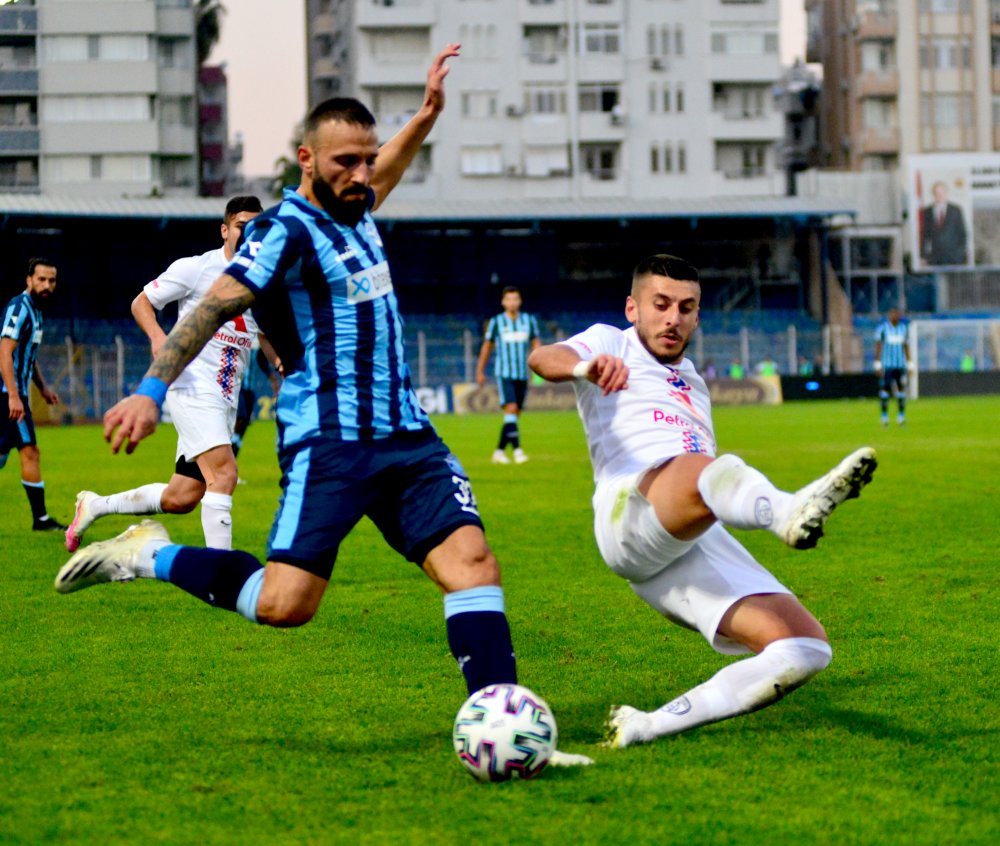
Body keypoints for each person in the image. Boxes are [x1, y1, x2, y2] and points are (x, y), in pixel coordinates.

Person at [54, 49, 593, 769]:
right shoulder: (286, 231)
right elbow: (216, 304)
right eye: (345, 161)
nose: (362, 174)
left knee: (473, 567)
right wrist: (152, 389)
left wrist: (427, 113)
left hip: (407, 438)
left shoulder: (361, 207)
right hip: (330, 444)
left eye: (367, 160)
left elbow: (392, 168)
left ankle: (509, 733)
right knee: (285, 605)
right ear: (306, 159)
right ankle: (150, 555)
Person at [528, 253, 877, 747]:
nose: (673, 318)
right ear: (633, 308)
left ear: (696, 315)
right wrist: (587, 366)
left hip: (685, 539)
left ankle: (647, 724)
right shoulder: (610, 342)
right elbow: (542, 359)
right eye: (661, 304)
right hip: (627, 511)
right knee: (704, 468)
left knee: (804, 648)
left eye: (686, 307)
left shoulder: (692, 380)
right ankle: (785, 511)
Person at [64, 196, 265, 553]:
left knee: (182, 496)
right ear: (224, 230)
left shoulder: (260, 280)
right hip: (192, 386)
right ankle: (223, 574)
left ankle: (95, 505)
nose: (250, 233)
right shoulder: (198, 268)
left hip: (224, 394)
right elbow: (142, 302)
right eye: (241, 225)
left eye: (257, 226)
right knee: (224, 475)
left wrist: (285, 368)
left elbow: (264, 334)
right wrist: (159, 338)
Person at [0, 258, 66, 531]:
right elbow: (4, 352)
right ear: (29, 279)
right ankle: (40, 519)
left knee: (6, 454)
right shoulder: (21, 308)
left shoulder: (37, 311)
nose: (47, 285)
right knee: (30, 451)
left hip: (14, 393)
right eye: (41, 279)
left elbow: (29, 356)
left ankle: (40, 519)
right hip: (7, 394)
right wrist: (14, 396)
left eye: (51, 280)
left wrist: (42, 388)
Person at [475, 286, 541, 464]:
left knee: (513, 415)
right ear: (503, 302)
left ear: (520, 301)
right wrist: (480, 371)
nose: (512, 303)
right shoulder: (496, 322)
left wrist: (540, 368)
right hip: (504, 373)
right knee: (511, 409)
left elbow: (536, 344)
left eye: (515, 299)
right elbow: (487, 347)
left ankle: (499, 452)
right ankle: (518, 452)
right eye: (508, 299)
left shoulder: (529, 321)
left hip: (522, 374)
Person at [230, 337, 281, 463]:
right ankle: (228, 449)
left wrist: (272, 379)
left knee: (244, 425)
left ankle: (232, 462)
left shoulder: (257, 339)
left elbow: (261, 361)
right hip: (238, 387)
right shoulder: (239, 337)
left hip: (250, 388)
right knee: (241, 418)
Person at [873, 307, 910, 427]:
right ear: (889, 315)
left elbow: (906, 347)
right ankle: (884, 417)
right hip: (887, 365)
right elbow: (878, 346)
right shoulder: (883, 329)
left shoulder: (903, 329)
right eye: (892, 314)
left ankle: (901, 417)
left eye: (896, 314)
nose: (894, 316)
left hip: (900, 365)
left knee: (901, 391)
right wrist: (877, 363)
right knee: (885, 391)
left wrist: (910, 364)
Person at [920, 181, 968, 267]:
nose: (940, 195)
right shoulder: (927, 212)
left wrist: (960, 254)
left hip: (954, 259)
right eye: (937, 193)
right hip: (934, 259)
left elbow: (963, 234)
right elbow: (924, 235)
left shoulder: (956, 210)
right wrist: (924, 256)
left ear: (946, 193)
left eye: (942, 192)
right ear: (933, 194)